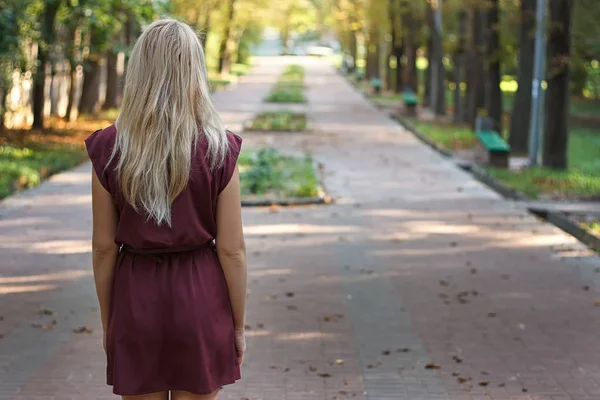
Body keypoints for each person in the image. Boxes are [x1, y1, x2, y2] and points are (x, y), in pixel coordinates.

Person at [85, 19, 247, 400]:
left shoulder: (109, 148)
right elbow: (232, 250)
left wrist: (111, 322)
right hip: (201, 296)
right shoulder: (219, 148)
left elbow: (104, 248)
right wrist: (237, 325)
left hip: (135, 295)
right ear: (194, 70)